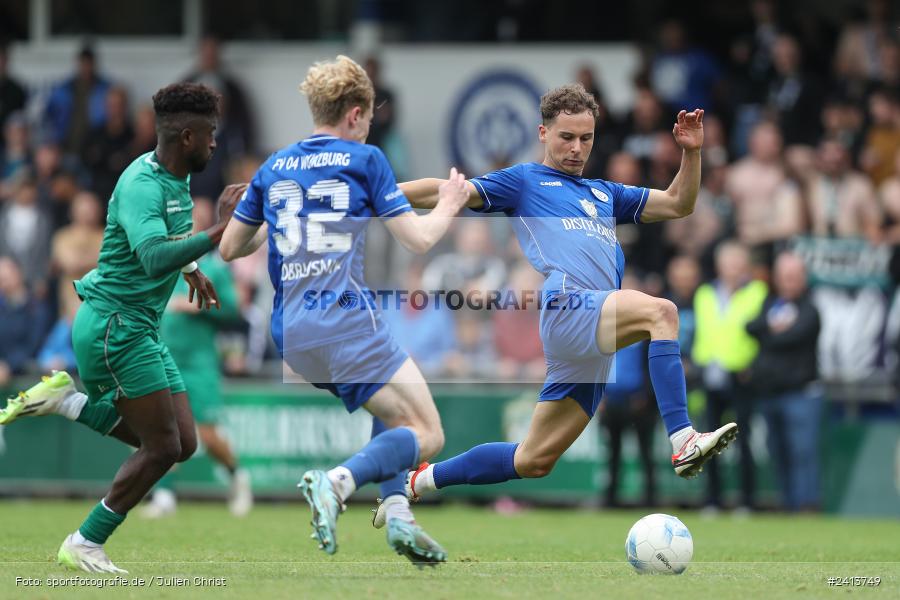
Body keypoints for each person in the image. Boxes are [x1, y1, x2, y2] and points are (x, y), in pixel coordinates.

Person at [399, 84, 737, 506]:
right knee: (662, 312)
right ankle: (683, 438)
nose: (577, 148)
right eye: (567, 137)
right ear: (543, 133)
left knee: (534, 459)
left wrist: (692, 152)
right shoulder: (525, 181)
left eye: (586, 138)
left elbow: (677, 203)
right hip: (568, 306)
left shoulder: (605, 193)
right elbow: (450, 191)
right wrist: (384, 195)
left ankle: (422, 481)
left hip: (594, 333)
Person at [218, 55, 471, 563]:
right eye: (370, 117)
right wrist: (450, 200)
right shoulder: (366, 158)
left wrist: (274, 222)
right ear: (355, 114)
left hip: (292, 331)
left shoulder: (274, 165)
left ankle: (398, 514)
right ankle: (337, 482)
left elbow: (229, 248)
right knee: (428, 434)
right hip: (343, 318)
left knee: (393, 410)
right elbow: (418, 240)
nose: (369, 126)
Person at [0, 82, 246, 573]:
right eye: (209, 134)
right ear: (186, 137)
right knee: (162, 447)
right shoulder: (141, 184)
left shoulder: (176, 179)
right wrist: (218, 229)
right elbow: (152, 255)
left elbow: (166, 240)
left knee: (183, 444)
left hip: (140, 326)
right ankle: (85, 540)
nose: (215, 143)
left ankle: (69, 403)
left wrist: (191, 270)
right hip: (114, 327)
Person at [144, 197, 252, 518]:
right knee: (162, 429)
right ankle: (164, 496)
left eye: (195, 218)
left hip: (199, 362)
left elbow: (232, 309)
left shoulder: (215, 267)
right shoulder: (164, 263)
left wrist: (199, 305)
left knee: (207, 433)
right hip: (165, 358)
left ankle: (237, 476)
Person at [746, 252, 821, 512]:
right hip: (770, 393)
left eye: (793, 276)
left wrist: (767, 332)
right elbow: (750, 327)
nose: (788, 282)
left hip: (800, 393)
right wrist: (770, 328)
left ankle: (806, 505)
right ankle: (788, 505)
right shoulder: (770, 304)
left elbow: (790, 337)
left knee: (803, 452)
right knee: (778, 451)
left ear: (803, 278)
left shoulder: (810, 309)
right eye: (784, 276)